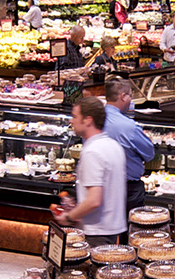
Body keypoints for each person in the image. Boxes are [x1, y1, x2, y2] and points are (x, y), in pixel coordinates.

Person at [52, 95, 127, 245]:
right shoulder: (114, 146)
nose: (71, 121)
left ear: (88, 120)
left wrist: (69, 217)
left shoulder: (91, 152)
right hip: (112, 229)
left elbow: (94, 201)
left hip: (95, 233)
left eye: (75, 116)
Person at [102, 78, 154, 211]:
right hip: (127, 190)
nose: (131, 100)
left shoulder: (95, 120)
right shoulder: (129, 126)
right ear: (123, 96)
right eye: (130, 96)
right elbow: (149, 154)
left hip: (100, 187)